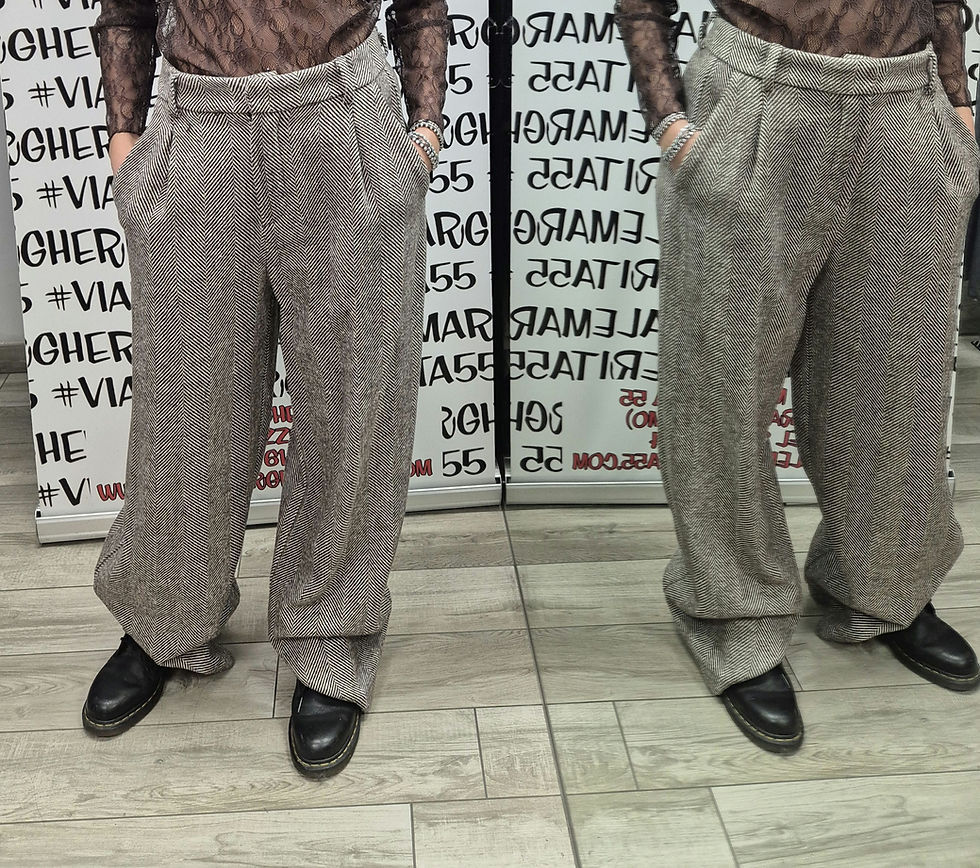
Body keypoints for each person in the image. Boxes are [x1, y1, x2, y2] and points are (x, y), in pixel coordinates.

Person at [82, 0, 449, 778]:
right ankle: (163, 616)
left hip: (343, 122)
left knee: (353, 403)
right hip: (199, 129)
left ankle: (330, 635)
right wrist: (124, 143)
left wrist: (422, 131)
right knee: (185, 407)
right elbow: (125, 9)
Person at [615, 0, 980, 752]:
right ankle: (735, 612)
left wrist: (957, 100)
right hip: (759, 98)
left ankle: (882, 584)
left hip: (907, 107)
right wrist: (671, 122)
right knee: (721, 387)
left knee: (897, 383)